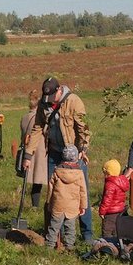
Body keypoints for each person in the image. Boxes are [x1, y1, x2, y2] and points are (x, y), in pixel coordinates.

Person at [23, 77, 95, 245]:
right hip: (54, 154)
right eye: (45, 97)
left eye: (51, 97)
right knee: (54, 195)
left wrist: (83, 150)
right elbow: (37, 128)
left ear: (59, 90)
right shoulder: (44, 103)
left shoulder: (73, 101)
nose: (48, 101)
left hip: (73, 155)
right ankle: (56, 237)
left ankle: (87, 235)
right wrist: (28, 155)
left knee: (80, 194)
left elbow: (83, 128)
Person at [45, 145, 87, 250]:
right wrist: (83, 206)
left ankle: (49, 245)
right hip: (72, 207)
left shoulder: (56, 171)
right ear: (76, 157)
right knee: (70, 228)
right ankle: (69, 247)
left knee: (54, 226)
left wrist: (49, 202)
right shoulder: (79, 173)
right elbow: (83, 191)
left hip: (58, 205)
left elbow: (51, 188)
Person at [20, 89, 45, 207]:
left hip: (28, 151)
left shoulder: (25, 117)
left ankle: (32, 205)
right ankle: (36, 206)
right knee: (38, 181)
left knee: (31, 179)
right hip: (39, 151)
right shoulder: (39, 118)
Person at [98, 159, 129, 237]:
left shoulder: (110, 184)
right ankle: (117, 245)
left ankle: (107, 245)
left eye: (104, 173)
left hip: (110, 212)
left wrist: (102, 211)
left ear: (108, 173)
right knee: (116, 230)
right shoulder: (121, 182)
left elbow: (107, 200)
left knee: (107, 230)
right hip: (120, 210)